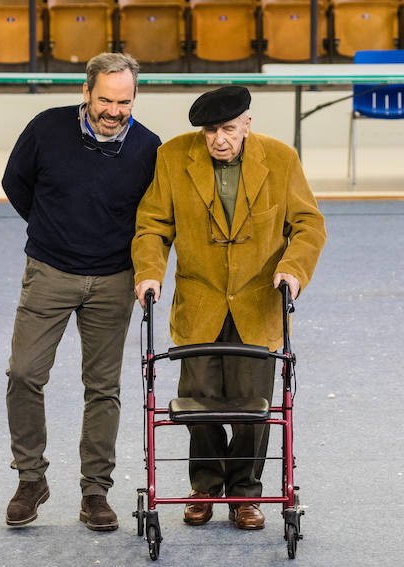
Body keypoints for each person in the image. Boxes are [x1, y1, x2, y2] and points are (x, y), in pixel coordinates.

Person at [131, 86, 326, 530]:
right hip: (199, 302)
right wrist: (149, 273)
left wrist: (293, 271)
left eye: (229, 130)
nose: (220, 139)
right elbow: (152, 226)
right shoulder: (173, 157)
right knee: (198, 403)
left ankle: (245, 492)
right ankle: (204, 487)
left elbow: (309, 224)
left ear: (247, 125)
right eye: (211, 131)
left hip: (258, 303)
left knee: (251, 408)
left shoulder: (280, 159)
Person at [0, 53, 161, 531]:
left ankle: (95, 491)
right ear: (86, 92)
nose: (114, 111)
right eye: (106, 100)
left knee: (103, 388)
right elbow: (16, 183)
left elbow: (153, 216)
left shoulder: (149, 147)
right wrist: (52, 229)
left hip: (114, 279)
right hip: (49, 270)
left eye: (124, 102)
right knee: (24, 373)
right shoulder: (46, 128)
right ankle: (31, 479)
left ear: (135, 97)